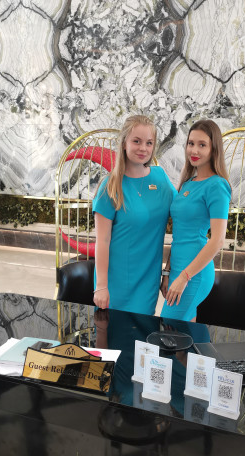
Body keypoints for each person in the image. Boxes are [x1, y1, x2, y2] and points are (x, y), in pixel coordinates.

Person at [93, 115, 176, 315]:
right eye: (136, 141)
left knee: (142, 331)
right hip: (115, 282)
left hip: (148, 280)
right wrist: (101, 286)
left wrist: (168, 271)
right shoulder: (110, 186)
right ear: (124, 143)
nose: (143, 148)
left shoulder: (161, 178)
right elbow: (102, 241)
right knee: (111, 331)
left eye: (149, 143)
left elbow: (184, 217)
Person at [160, 119, 231, 322]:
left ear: (214, 149)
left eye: (202, 145)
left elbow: (217, 240)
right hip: (178, 269)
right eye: (191, 143)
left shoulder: (217, 185)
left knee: (168, 328)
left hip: (194, 274)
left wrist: (184, 277)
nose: (194, 150)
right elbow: (179, 235)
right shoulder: (188, 183)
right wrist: (167, 272)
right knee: (183, 332)